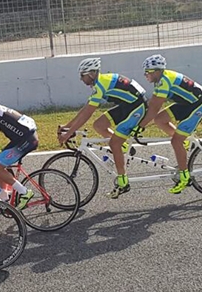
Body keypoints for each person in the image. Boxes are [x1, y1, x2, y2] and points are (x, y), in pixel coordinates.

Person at [58, 58, 147, 198]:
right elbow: (85, 109)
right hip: (127, 106)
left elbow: (88, 113)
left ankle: (123, 182)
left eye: (82, 75)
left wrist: (68, 133)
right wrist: (67, 127)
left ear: (92, 74)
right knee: (98, 125)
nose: (81, 79)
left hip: (137, 108)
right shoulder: (99, 83)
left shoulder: (101, 85)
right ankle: (123, 148)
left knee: (114, 143)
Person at [138, 54, 202, 194]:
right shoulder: (160, 80)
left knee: (176, 141)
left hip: (198, 105)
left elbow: (154, 108)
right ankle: (186, 144)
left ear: (157, 71)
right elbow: (152, 105)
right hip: (186, 104)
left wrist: (139, 127)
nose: (146, 75)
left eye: (148, 72)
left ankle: (185, 176)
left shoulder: (165, 80)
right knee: (159, 120)